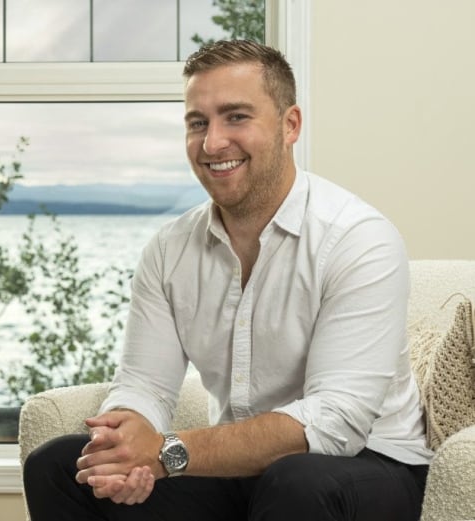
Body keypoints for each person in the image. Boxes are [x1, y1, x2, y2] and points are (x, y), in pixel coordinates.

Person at [23, 39, 432, 521]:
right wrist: (125, 450)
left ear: (290, 125)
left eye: (236, 117)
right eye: (198, 122)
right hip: (237, 474)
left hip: (368, 466)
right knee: (56, 465)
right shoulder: (169, 250)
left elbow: (335, 423)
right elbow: (145, 385)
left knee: (296, 480)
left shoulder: (359, 239)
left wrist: (165, 452)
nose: (213, 143)